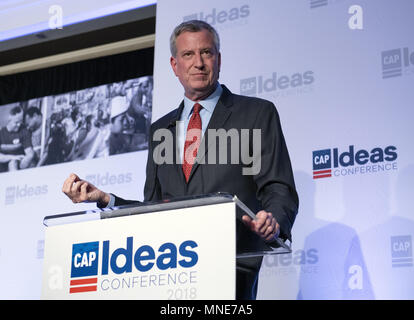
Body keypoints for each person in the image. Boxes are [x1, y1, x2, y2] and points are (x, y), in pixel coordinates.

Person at [62, 20, 299, 299]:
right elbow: (152, 208)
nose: (198, 62)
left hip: (231, 268)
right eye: (188, 55)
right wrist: (105, 199)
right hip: (170, 273)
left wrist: (273, 221)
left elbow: (278, 188)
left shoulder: (256, 114)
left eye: (206, 53)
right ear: (175, 66)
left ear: (218, 60)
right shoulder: (160, 130)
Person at [0, 106, 35, 171]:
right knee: (12, 161)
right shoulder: (1, 133)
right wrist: (13, 157)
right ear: (9, 119)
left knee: (13, 163)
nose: (19, 125)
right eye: (16, 122)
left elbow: (29, 151)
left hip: (19, 164)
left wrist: (28, 158)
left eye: (20, 121)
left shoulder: (24, 131)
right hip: (3, 165)